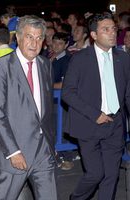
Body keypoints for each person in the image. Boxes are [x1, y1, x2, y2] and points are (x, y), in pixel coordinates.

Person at [0, 15, 57, 200]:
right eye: (29, 37)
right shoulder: (0, 67)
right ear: (17, 37)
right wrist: (13, 152)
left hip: (42, 150)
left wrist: (50, 142)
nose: (34, 43)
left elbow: (46, 109)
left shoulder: (45, 65)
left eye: (39, 38)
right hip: (14, 151)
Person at [62, 13, 130, 200]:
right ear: (93, 35)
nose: (112, 33)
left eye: (114, 29)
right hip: (89, 123)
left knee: (111, 175)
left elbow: (127, 93)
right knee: (95, 173)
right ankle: (76, 198)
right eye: (105, 30)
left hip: (115, 124)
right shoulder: (80, 59)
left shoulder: (123, 58)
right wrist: (94, 114)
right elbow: (68, 93)